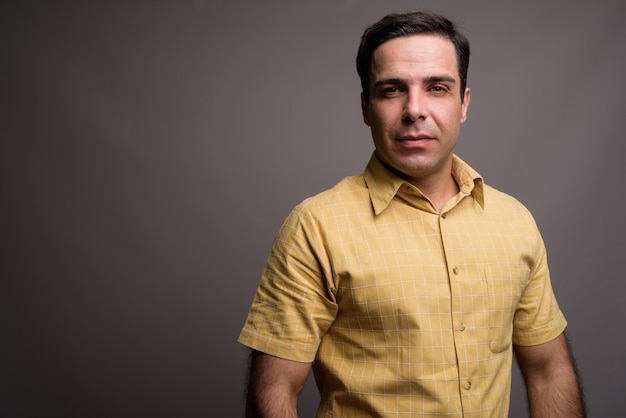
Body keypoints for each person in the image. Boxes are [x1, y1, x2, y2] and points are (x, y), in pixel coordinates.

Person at [238, 10, 585, 417]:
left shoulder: (514, 222)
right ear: (366, 107)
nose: (414, 109)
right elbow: (273, 392)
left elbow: (549, 371)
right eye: (391, 90)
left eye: (437, 87)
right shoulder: (315, 226)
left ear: (463, 103)